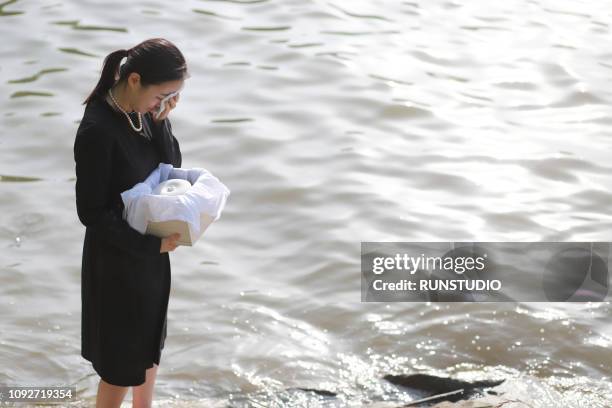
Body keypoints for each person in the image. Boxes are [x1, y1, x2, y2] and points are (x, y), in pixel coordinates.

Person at [73, 38, 188, 408]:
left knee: (149, 347)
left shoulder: (144, 113)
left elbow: (170, 168)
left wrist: (163, 120)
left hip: (151, 256)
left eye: (172, 98)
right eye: (162, 96)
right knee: (121, 366)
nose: (164, 103)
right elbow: (90, 213)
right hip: (117, 263)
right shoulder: (98, 130)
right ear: (135, 80)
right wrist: (148, 245)